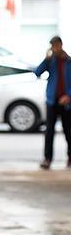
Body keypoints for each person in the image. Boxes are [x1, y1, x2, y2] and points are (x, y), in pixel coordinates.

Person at [34, 36, 71, 170]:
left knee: (68, 131)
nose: (55, 49)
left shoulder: (68, 61)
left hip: (66, 102)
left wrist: (69, 96)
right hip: (52, 101)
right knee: (49, 131)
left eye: (56, 46)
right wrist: (46, 59)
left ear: (61, 45)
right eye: (53, 46)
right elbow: (37, 72)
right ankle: (47, 159)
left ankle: (70, 157)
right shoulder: (51, 61)